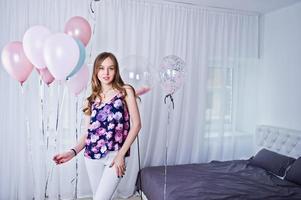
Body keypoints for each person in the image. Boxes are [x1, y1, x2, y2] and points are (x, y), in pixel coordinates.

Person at [53, 52, 141, 200]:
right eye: (101, 68)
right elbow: (88, 134)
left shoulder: (125, 91)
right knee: (101, 197)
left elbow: (137, 125)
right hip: (91, 156)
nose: (106, 73)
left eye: (110, 68)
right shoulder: (91, 100)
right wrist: (72, 152)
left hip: (115, 155)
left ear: (116, 70)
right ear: (96, 71)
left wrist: (121, 155)